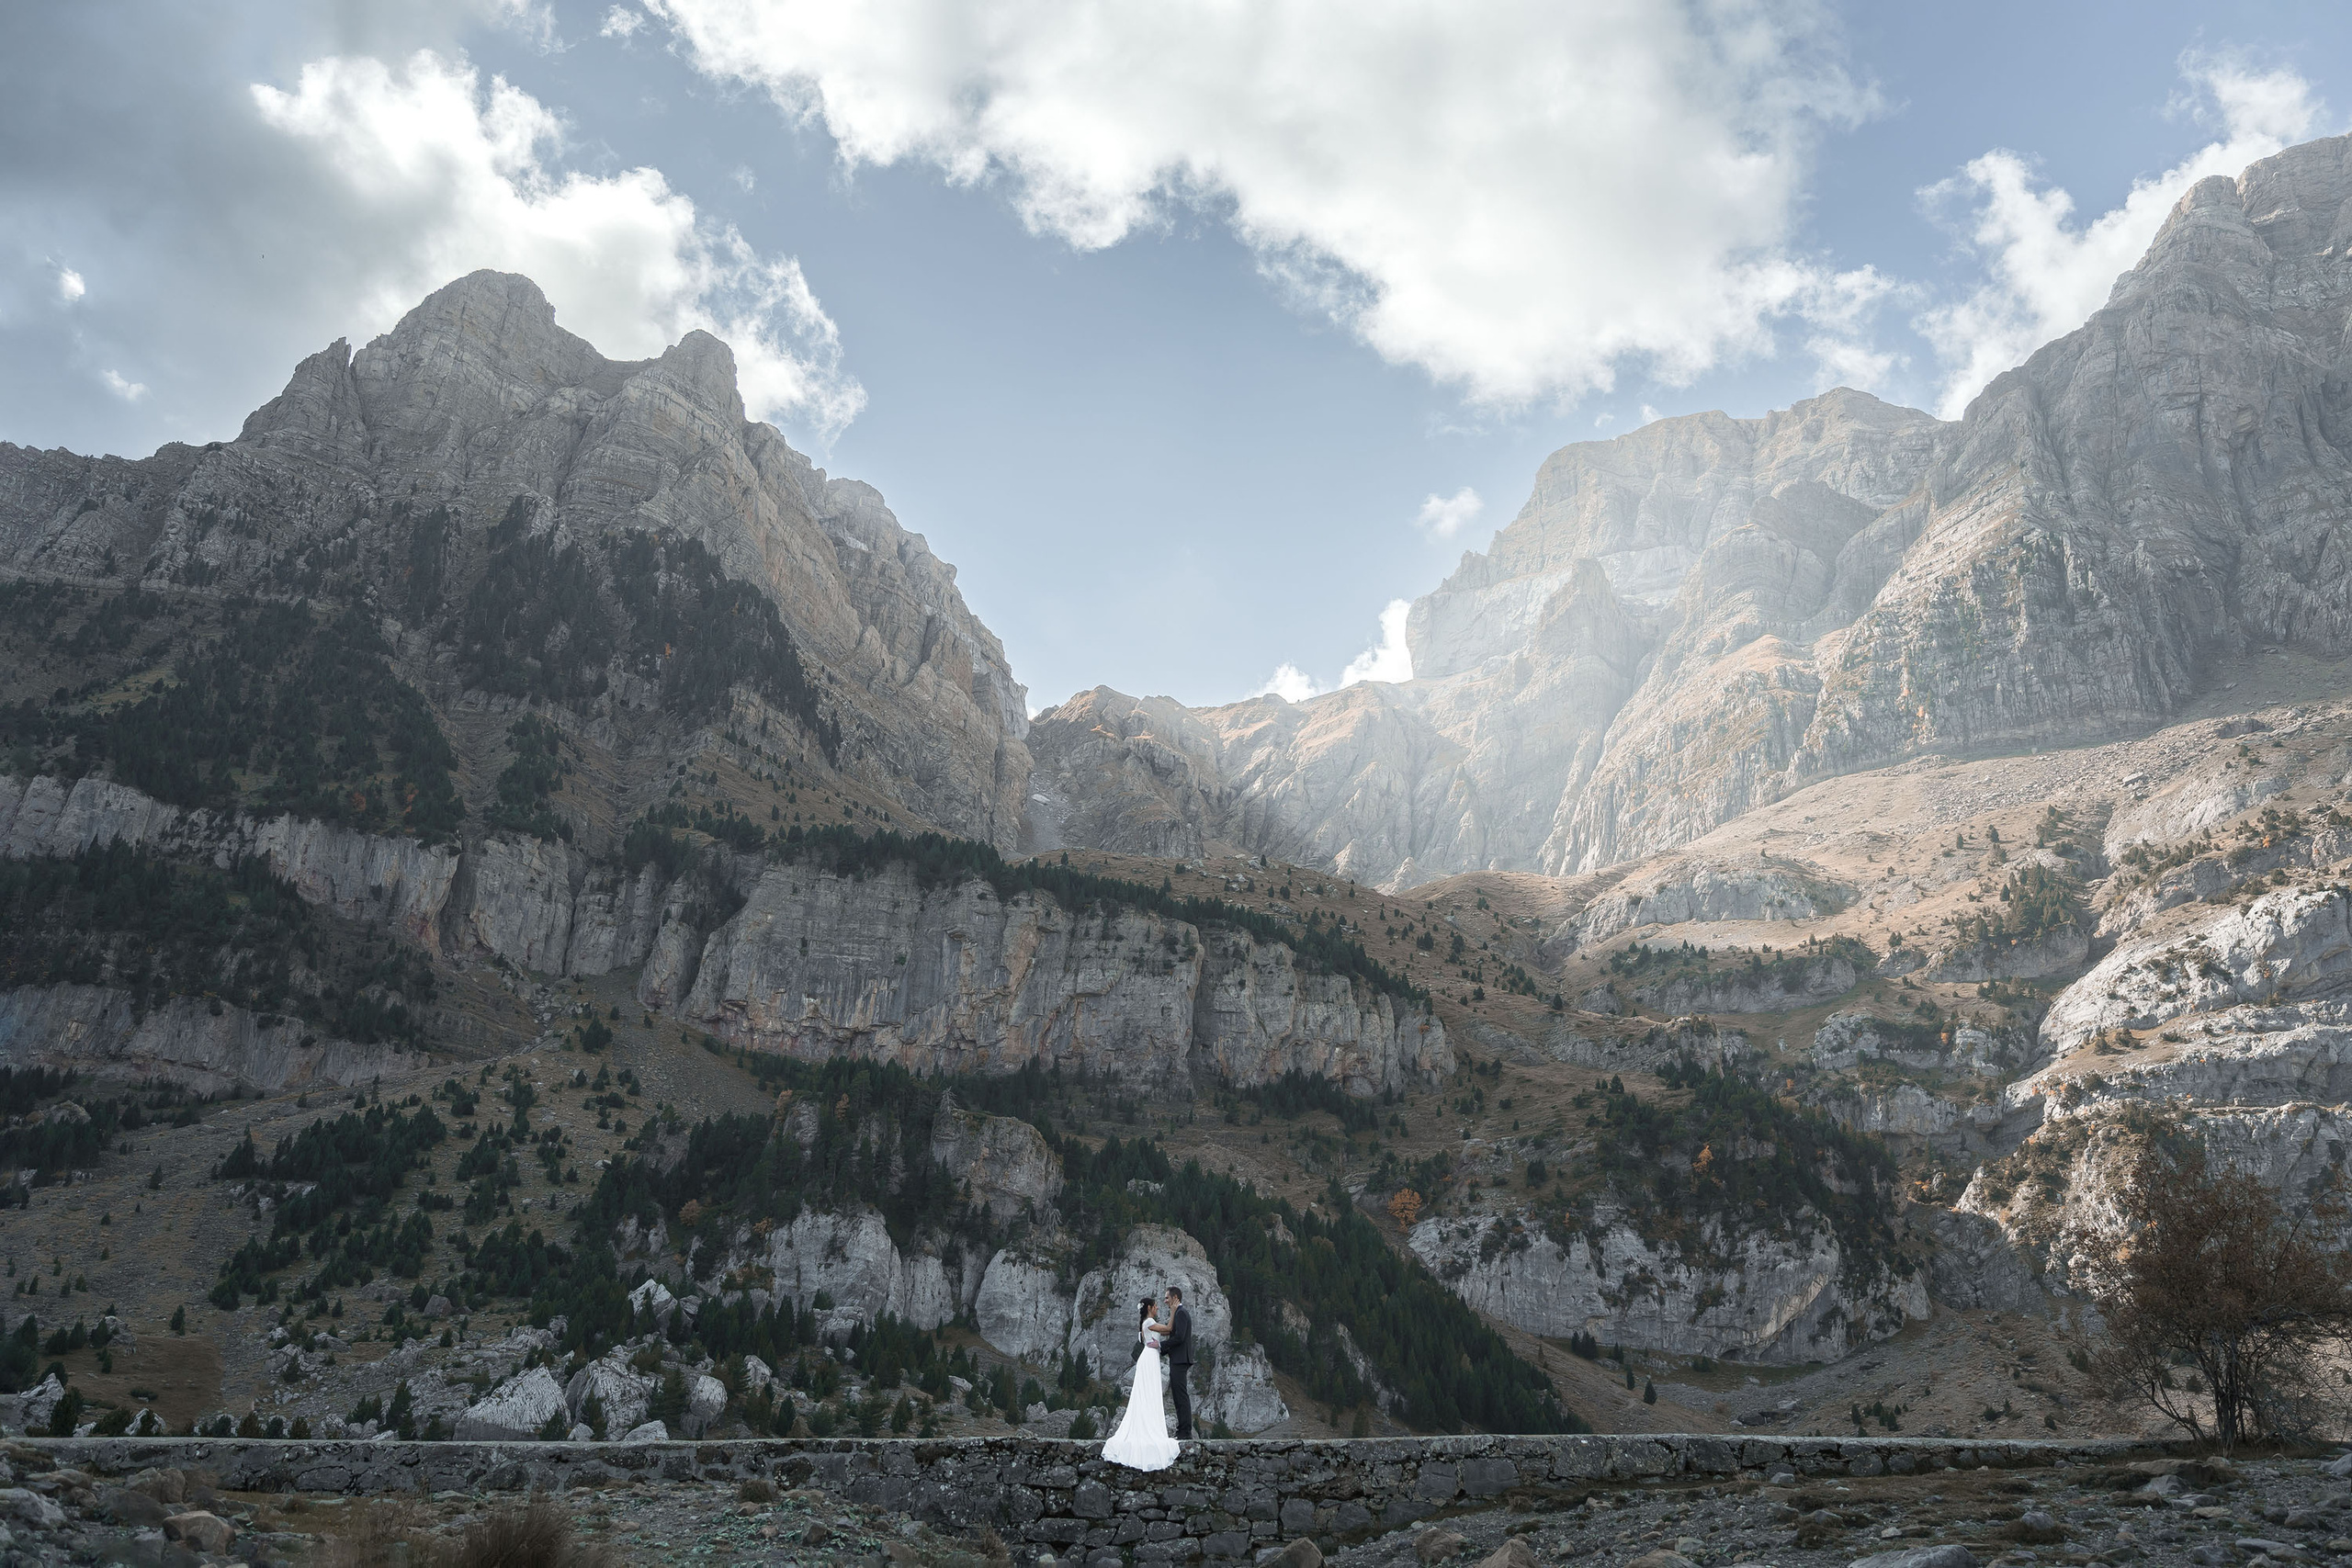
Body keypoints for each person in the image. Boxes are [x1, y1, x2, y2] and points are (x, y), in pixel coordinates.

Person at [1100, 1296, 1179, 1470]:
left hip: (1150, 1357)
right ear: (1149, 1307)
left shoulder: (1146, 1323)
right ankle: (1148, 1428)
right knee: (1149, 1392)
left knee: (1148, 1393)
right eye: (1155, 1306)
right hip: (1149, 1358)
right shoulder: (1149, 1322)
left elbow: (1166, 1333)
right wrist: (1173, 1311)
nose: (1157, 1308)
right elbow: (1169, 1328)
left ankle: (1148, 1424)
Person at [1159, 1284, 1194, 1440]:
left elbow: (1179, 1337)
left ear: (1175, 1298)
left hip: (1180, 1360)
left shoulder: (1181, 1313)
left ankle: (1185, 1432)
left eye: (1167, 1298)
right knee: (1178, 1396)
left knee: (1181, 1396)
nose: (1165, 1301)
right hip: (1178, 1359)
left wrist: (1161, 1346)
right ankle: (1182, 1431)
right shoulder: (1179, 1313)